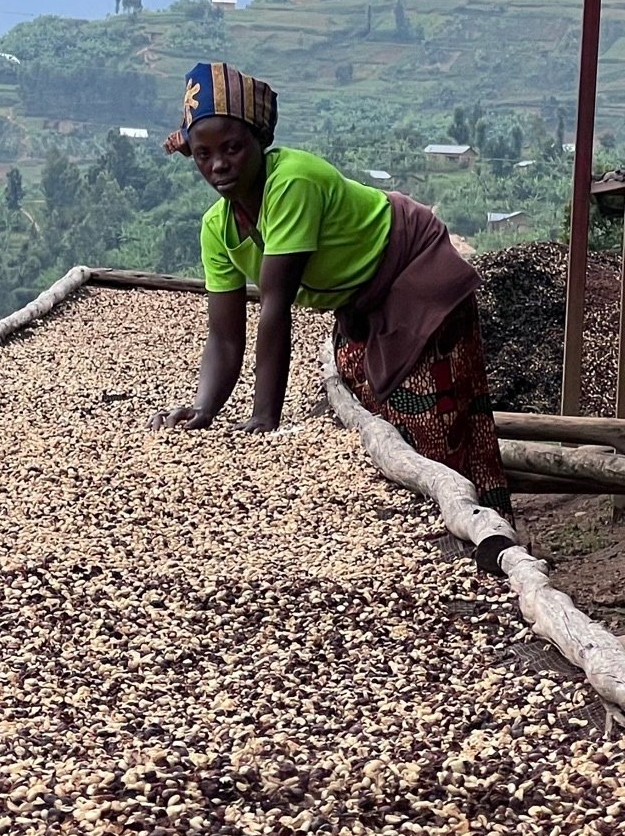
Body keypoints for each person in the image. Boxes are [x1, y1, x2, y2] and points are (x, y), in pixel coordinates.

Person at [152, 60, 510, 514]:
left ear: (260, 142)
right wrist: (205, 408)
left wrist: (265, 420)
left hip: (414, 270)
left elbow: (275, 309)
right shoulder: (216, 229)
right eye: (204, 154)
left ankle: (478, 535)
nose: (219, 164)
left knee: (437, 417)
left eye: (233, 148)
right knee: (374, 416)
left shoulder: (292, 183)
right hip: (360, 300)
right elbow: (224, 336)